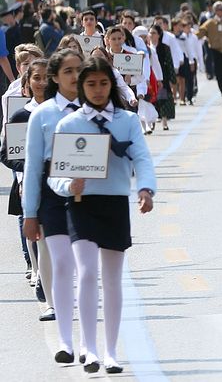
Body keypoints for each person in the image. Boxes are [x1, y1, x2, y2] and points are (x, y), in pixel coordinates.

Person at [48, 57, 155, 374]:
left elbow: (143, 158)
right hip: (82, 205)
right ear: (81, 86)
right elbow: (55, 176)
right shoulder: (69, 124)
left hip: (115, 204)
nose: (97, 90)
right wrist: (69, 184)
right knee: (87, 273)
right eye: (91, 84)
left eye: (103, 83)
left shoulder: (128, 121)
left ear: (112, 85)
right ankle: (88, 348)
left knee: (112, 279)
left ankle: (110, 351)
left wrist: (146, 190)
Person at [21, 49, 83, 366]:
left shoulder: (95, 110)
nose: (75, 77)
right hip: (51, 193)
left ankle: (88, 342)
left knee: (85, 269)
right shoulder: (42, 115)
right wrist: (29, 213)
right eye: (68, 71)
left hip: (90, 193)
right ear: (55, 78)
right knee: (60, 262)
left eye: (78, 70)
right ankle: (65, 339)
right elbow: (32, 168)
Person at [2, 57, 54, 321]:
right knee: (42, 241)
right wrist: (25, 174)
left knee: (62, 245)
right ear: (27, 84)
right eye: (36, 78)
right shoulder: (21, 115)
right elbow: (7, 153)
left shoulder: (64, 112)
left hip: (64, 187)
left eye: (47, 77)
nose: (42, 82)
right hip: (33, 185)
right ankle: (47, 295)